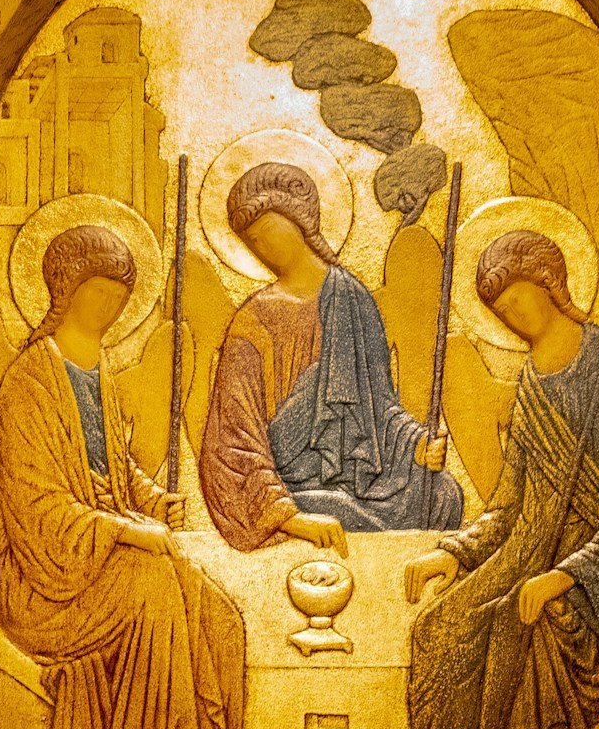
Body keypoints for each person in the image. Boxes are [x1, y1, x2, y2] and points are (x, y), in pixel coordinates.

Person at [388, 228, 599, 729]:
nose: (509, 317)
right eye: (498, 310)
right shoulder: (531, 383)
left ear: (550, 284)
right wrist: (454, 552)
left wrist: (566, 575)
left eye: (515, 299)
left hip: (598, 576)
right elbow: (509, 504)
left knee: (515, 619)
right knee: (438, 628)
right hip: (525, 549)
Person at [0, 223, 255, 729]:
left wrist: (153, 501)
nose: (111, 304)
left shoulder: (95, 369)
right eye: (99, 289)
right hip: (43, 579)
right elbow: (36, 508)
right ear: (64, 288)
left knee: (217, 613)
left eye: (121, 293)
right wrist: (128, 529)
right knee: (157, 584)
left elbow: (113, 470)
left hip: (97, 559)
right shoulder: (29, 381)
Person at [198, 161, 464, 553]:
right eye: (251, 241)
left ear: (298, 219)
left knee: (443, 494)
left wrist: (414, 443)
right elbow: (233, 435)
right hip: (286, 488)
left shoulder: (352, 298)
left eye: (267, 230)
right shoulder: (253, 319)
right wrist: (289, 515)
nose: (261, 247)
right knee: (333, 505)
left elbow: (379, 404)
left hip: (361, 477)